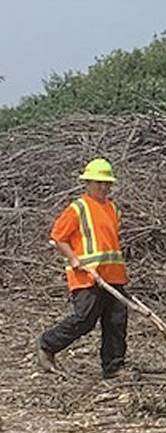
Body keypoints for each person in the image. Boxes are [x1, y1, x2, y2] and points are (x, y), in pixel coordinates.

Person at [36, 159, 129, 377]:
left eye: (107, 183)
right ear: (88, 183)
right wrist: (74, 259)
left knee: (116, 320)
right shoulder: (78, 207)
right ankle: (47, 344)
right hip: (87, 276)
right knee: (84, 319)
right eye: (99, 183)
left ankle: (113, 366)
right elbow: (58, 237)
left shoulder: (112, 208)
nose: (104, 187)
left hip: (113, 276)